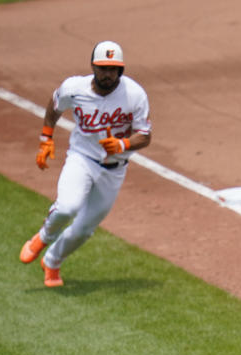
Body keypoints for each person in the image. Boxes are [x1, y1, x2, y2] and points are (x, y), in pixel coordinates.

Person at [20, 40, 152, 287]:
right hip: (81, 159)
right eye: (103, 68)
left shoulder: (134, 94)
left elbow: (144, 135)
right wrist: (45, 138)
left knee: (83, 230)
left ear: (120, 70)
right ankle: (43, 237)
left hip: (115, 170)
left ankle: (52, 261)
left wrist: (122, 145)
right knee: (67, 207)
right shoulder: (74, 88)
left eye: (113, 69)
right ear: (93, 67)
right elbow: (55, 105)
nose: (107, 74)